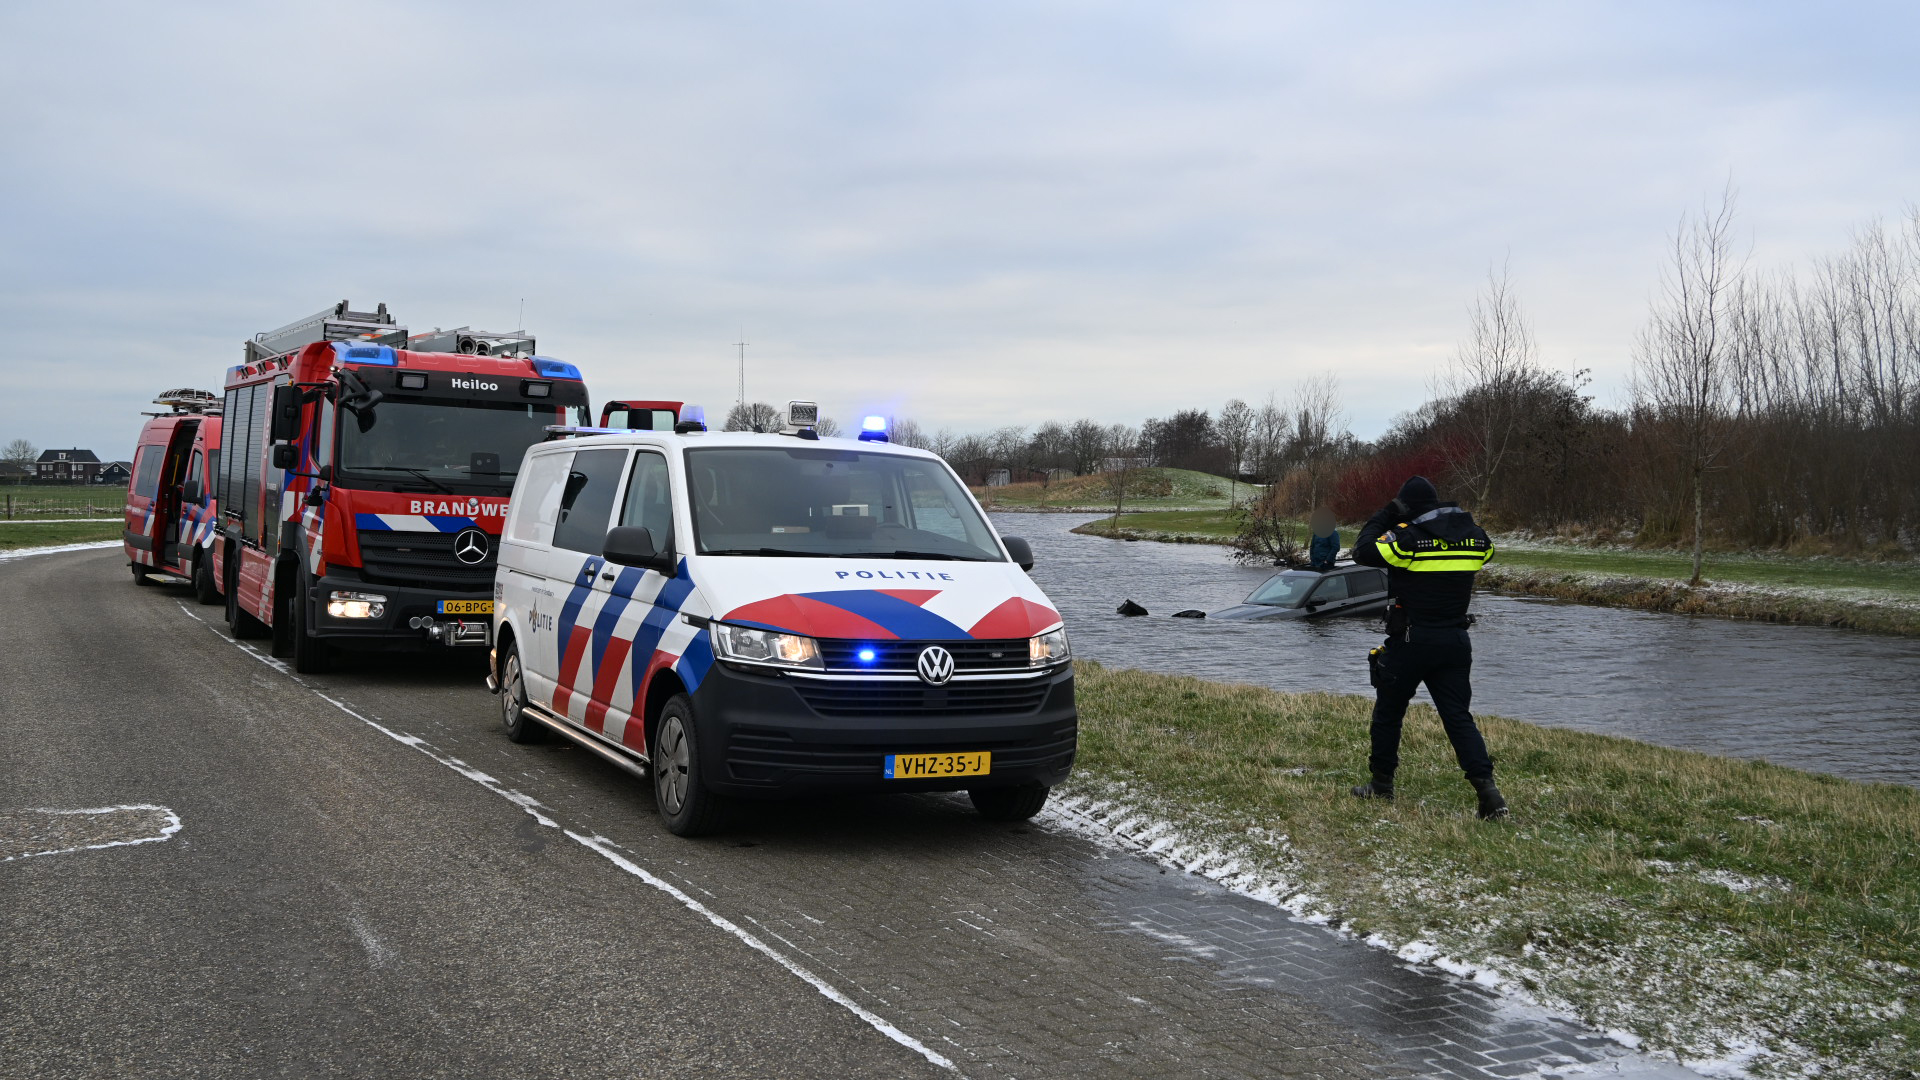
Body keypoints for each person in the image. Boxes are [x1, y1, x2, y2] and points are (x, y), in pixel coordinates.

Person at [1347, 476, 1507, 820]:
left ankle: (1381, 784)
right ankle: (1488, 793)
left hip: (1411, 640)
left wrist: (1386, 513)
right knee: (1458, 717)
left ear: (1407, 507)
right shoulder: (1476, 539)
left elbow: (1361, 550)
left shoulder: (1406, 540)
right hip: (1455, 641)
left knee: (1389, 712)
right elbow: (1487, 551)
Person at [1307, 507, 1340, 572]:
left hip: (1326, 564)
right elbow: (1312, 546)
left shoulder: (1333, 532)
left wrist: (1327, 560)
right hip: (1315, 563)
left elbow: (1336, 547)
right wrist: (1312, 559)